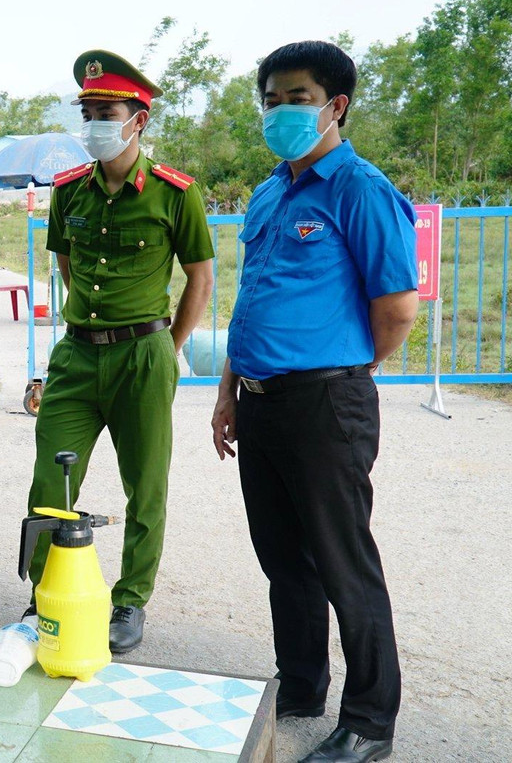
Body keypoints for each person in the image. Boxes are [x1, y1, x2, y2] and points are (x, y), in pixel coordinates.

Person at [211, 41, 416, 763]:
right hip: (261, 403)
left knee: (341, 561)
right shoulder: (270, 192)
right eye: (270, 98)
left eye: (295, 97)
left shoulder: (359, 189)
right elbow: (251, 299)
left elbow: (396, 308)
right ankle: (301, 684)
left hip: (326, 404)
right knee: (283, 559)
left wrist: (342, 377)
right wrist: (229, 393)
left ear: (336, 105)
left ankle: (369, 722)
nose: (278, 110)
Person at [24, 49, 214, 654]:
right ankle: (45, 589)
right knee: (50, 480)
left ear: (139, 120)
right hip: (76, 358)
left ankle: (129, 600)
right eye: (87, 111)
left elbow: (200, 278)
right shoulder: (68, 191)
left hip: (143, 356)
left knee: (145, 484)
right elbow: (66, 266)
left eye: (105, 111)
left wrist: (168, 346)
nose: (93, 124)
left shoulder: (174, 194)